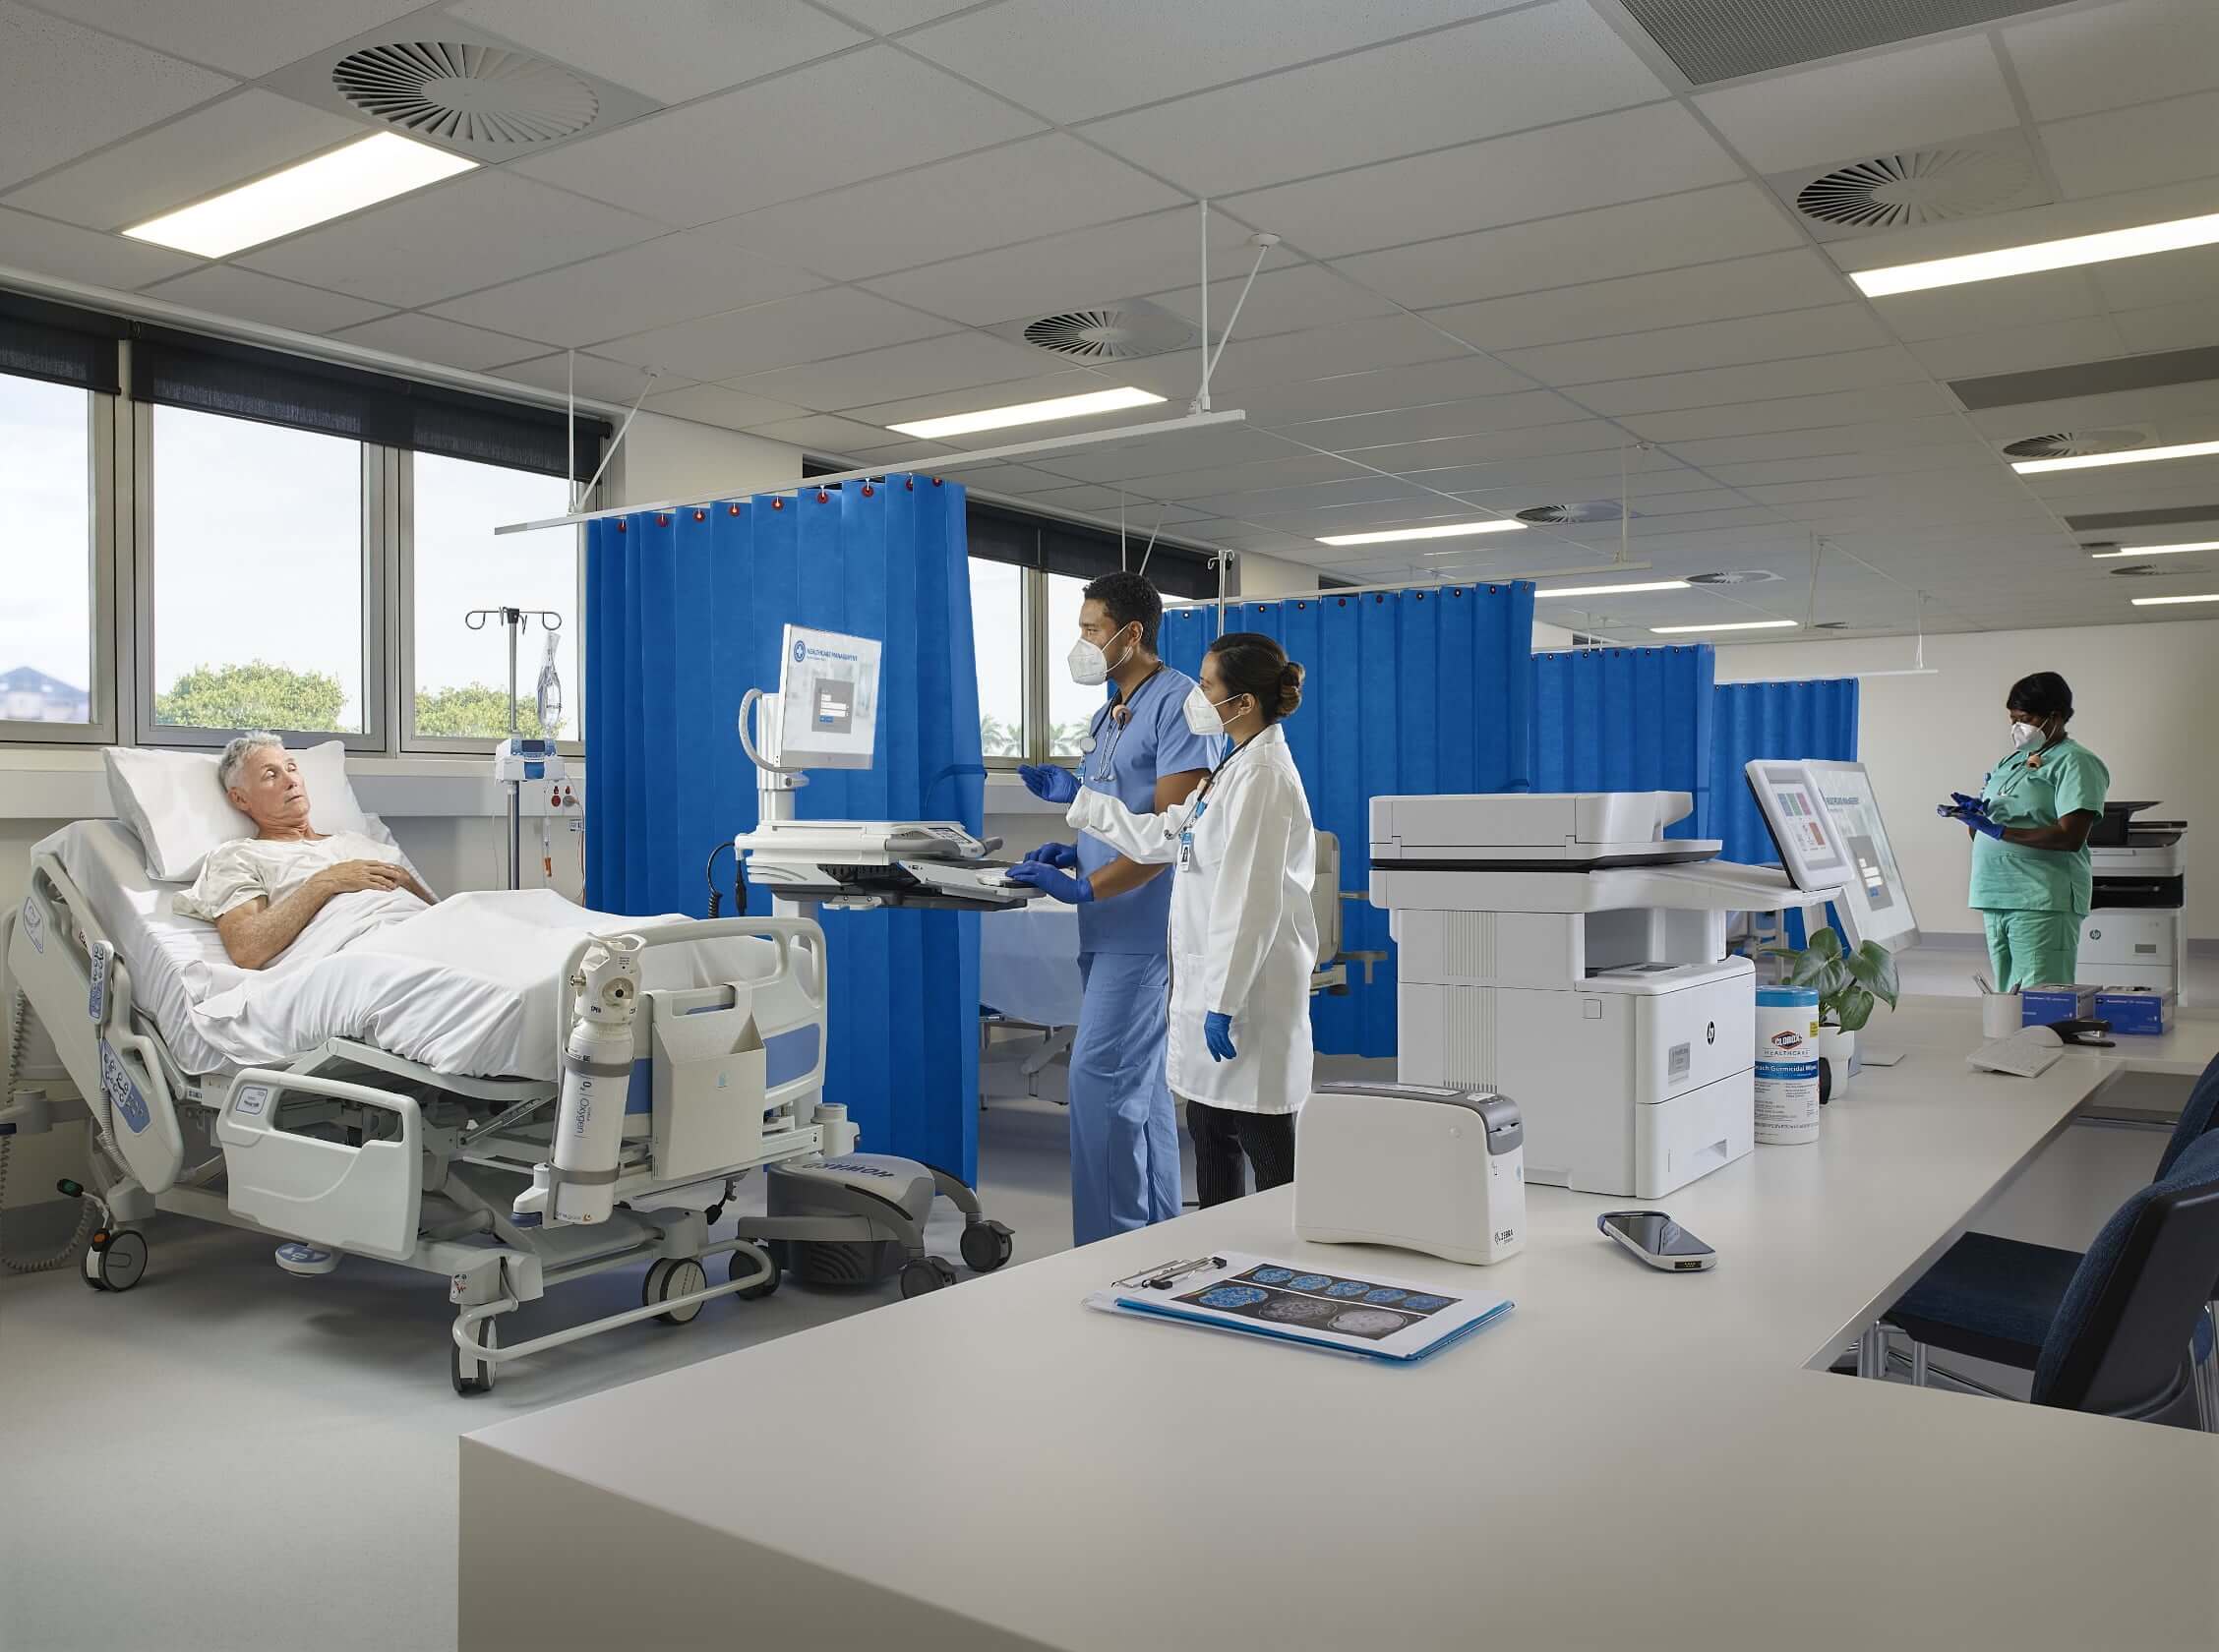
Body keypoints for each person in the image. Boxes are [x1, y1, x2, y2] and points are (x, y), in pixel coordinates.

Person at [1020, 632, 1317, 1208]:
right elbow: (1165, 833)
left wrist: (1225, 1001)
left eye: (1207, 686)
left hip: (1246, 987)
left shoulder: (1263, 777)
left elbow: (1251, 904)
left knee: (1261, 1136)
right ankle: (1221, 1258)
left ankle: (1287, 1259)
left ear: (1243, 703)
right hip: (1216, 980)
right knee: (1210, 1131)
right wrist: (1080, 800)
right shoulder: (1233, 767)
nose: (1197, 696)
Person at [1006, 573, 1217, 1246]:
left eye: (1093, 628)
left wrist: (1091, 886)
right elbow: (1114, 814)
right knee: (1140, 1089)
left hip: (1143, 928)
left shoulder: (1180, 706)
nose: (1084, 641)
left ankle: (1104, 1250)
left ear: (1132, 632)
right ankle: (1154, 1238)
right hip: (1104, 927)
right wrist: (1077, 854)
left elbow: (1170, 833)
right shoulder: (1110, 712)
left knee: (1098, 1082)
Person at [176, 733, 438, 970]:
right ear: (240, 799)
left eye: (292, 768)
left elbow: (437, 912)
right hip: (365, 955)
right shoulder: (239, 856)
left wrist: (407, 881)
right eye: (270, 774)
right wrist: (327, 881)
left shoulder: (360, 842)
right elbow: (247, 949)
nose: (291, 780)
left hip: (429, 936)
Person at [1944, 672, 2109, 992]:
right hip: (1996, 895)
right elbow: (1985, 834)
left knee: (2040, 995)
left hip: (2040, 897)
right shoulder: (2012, 761)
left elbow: (2070, 837)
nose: (2017, 727)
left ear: (2055, 716)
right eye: (2012, 719)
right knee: (2007, 996)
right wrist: (1975, 818)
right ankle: (2012, 1044)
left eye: (2025, 718)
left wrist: (2001, 830)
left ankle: (2042, 1043)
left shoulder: (2076, 762)